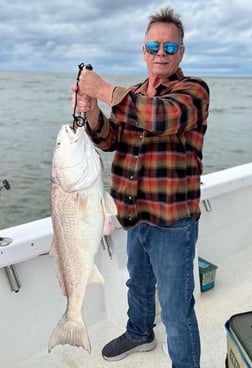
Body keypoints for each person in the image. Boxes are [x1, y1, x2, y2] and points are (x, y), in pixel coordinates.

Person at [72, 6, 209, 368]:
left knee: (178, 311)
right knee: (139, 283)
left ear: (180, 51)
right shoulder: (131, 94)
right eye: (153, 45)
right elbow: (111, 139)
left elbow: (162, 116)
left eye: (169, 46)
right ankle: (139, 332)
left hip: (173, 220)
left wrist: (101, 88)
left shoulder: (193, 91)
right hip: (134, 215)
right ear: (143, 50)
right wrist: (92, 112)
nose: (160, 53)